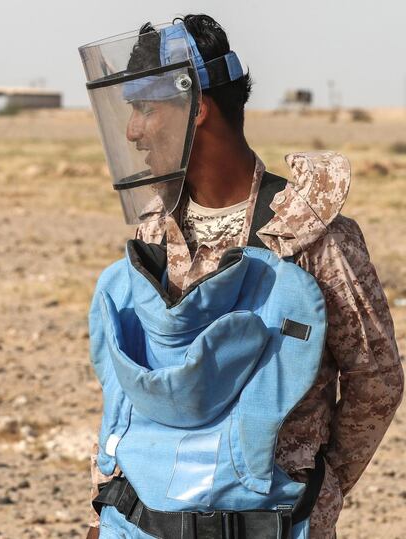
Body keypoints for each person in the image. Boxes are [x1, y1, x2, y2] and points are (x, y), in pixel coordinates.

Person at [79, 14, 403, 539]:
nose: (132, 130)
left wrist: (321, 491)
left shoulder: (315, 236)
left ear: (196, 109)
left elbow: (376, 379)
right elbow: (131, 389)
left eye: (144, 108)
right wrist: (109, 502)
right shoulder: (155, 233)